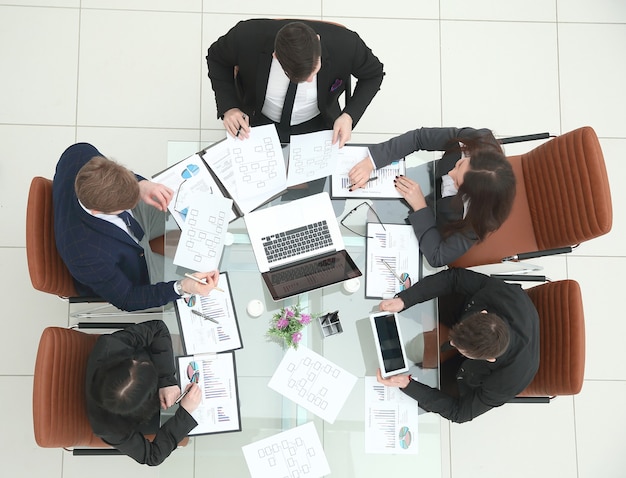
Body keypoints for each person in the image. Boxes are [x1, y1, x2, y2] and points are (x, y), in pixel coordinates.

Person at [53, 142, 219, 311]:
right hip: (135, 267)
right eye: (125, 207)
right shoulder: (86, 256)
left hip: (136, 225)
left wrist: (141, 185)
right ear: (97, 211)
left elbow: (125, 184)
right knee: (201, 289)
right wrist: (182, 287)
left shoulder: (79, 153)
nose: (134, 203)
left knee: (198, 209)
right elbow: (127, 298)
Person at [375, 268, 539, 423]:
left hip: (466, 375)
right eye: (455, 338)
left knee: (402, 396)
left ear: (489, 359)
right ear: (483, 313)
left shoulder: (510, 381)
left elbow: (460, 413)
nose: (450, 343)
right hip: (455, 313)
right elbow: (455, 278)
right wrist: (405, 299)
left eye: (459, 348)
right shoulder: (506, 296)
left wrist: (408, 385)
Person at [348, 127, 516, 267]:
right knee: (364, 192)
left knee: (375, 235)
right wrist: (371, 163)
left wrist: (420, 207)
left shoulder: (482, 219)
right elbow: (419, 138)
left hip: (429, 221)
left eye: (457, 182)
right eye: (459, 164)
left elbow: (438, 257)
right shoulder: (477, 140)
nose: (451, 173)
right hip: (424, 178)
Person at [206, 19, 384, 145]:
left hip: (318, 122)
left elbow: (374, 74)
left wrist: (348, 116)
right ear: (276, 57)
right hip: (258, 119)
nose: (309, 80)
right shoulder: (245, 36)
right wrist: (229, 108)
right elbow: (216, 59)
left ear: (318, 42)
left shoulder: (347, 44)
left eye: (315, 70)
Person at [86, 320, 200, 465]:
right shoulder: (109, 429)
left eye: (135, 363)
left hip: (165, 380)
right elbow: (152, 457)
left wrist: (166, 380)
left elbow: (158, 329)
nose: (139, 361)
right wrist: (186, 413)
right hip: (147, 416)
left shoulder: (110, 345)